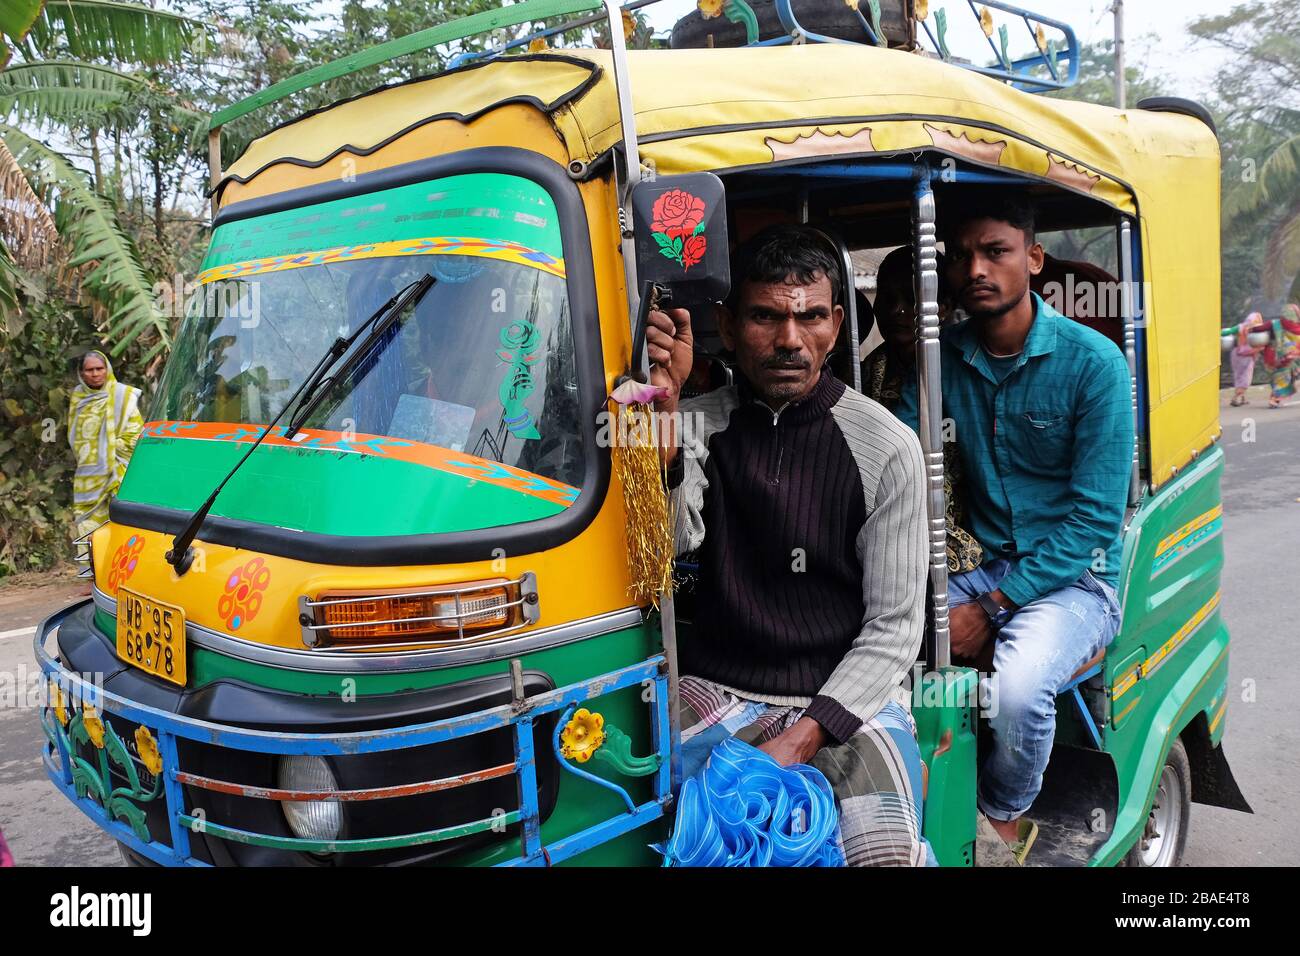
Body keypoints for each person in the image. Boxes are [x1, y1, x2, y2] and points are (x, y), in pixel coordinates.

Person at [647, 224, 934, 866]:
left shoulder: (886, 447)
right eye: (765, 317)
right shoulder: (699, 425)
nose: (789, 341)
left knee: (882, 854)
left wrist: (803, 739)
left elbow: (893, 630)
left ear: (836, 323)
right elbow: (666, 548)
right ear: (726, 322)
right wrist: (665, 417)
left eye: (809, 318)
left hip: (848, 699)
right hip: (717, 685)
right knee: (647, 821)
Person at [895, 191, 1131, 863]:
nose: (976, 269)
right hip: (980, 561)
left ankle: (1000, 821)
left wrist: (991, 609)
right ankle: (905, 795)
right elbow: (907, 466)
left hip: (1074, 581)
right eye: (962, 255)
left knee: (1020, 689)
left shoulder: (1092, 365)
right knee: (876, 638)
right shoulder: (941, 361)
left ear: (1032, 258)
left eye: (995, 252)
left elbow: (1092, 522)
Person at [867, 246, 983, 575]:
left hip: (967, 534)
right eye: (887, 300)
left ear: (943, 308)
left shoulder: (967, 369)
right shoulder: (863, 373)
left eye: (911, 300)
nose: (897, 312)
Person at [68, 350, 144, 559]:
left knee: (123, 519)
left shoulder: (123, 396)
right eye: (89, 370)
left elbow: (135, 434)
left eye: (99, 368)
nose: (95, 374)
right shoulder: (78, 398)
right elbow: (75, 436)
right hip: (88, 472)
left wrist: (110, 448)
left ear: (107, 369)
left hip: (120, 470)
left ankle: (121, 566)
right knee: (87, 521)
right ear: (81, 373)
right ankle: (91, 570)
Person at [1229, 312, 1266, 407]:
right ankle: (1236, 398)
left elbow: (1226, 332)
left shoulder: (1240, 327)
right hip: (1247, 357)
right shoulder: (1258, 329)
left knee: (1238, 376)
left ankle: (1242, 398)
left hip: (1236, 355)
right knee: (1245, 378)